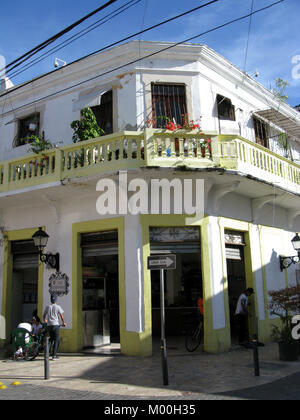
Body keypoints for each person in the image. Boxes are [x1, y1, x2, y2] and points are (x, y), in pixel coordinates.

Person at [43, 294, 66, 360]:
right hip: (55, 325)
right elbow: (61, 316)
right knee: (56, 340)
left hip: (49, 325)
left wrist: (45, 320)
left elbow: (44, 315)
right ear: (56, 299)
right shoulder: (58, 307)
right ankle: (54, 355)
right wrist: (63, 323)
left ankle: (46, 353)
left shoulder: (48, 307)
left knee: (50, 339)